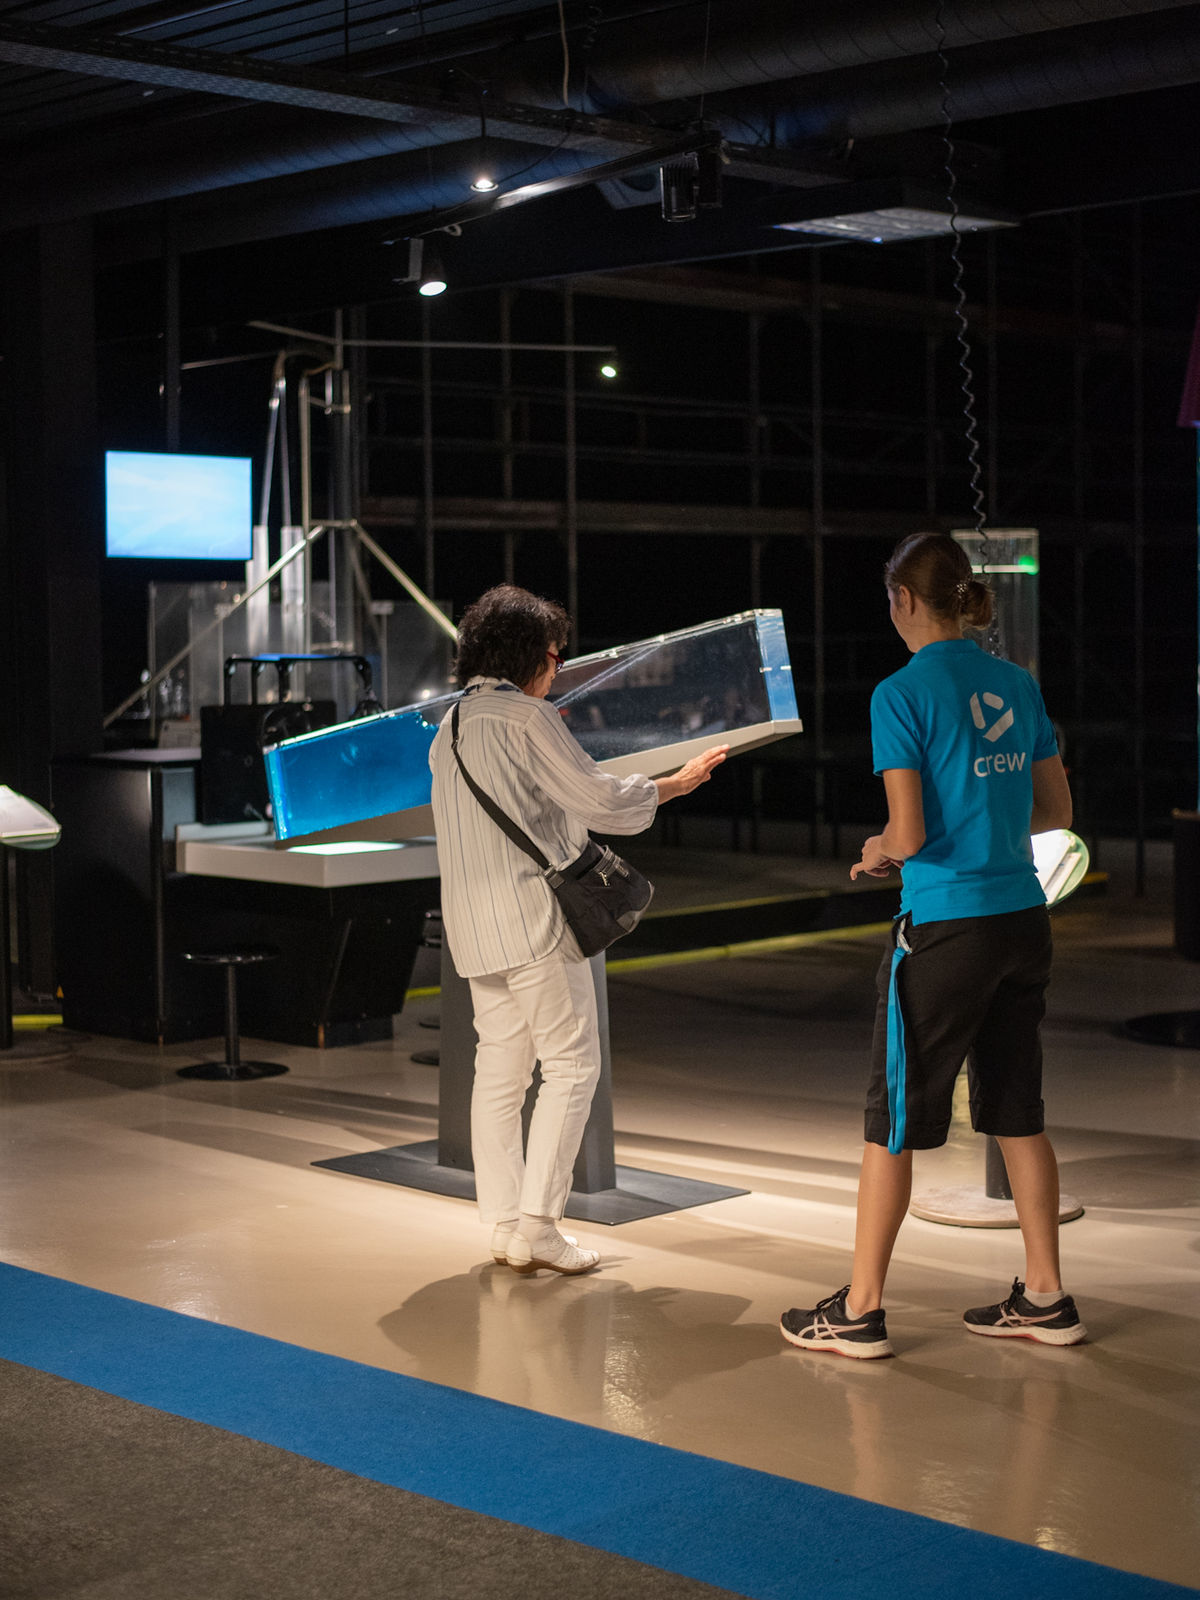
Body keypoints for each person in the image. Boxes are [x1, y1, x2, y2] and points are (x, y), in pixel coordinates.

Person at [780, 533, 1085, 1358]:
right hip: (1023, 920)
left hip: (947, 930)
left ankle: (860, 1311)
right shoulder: (1016, 684)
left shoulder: (900, 694)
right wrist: (982, 825)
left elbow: (908, 833)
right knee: (1018, 1114)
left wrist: (880, 848)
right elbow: (1055, 811)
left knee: (892, 1123)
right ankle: (1047, 1298)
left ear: (905, 600)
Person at [429, 585, 728, 1277]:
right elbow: (599, 801)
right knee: (570, 1065)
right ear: (529, 654)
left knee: (499, 1072)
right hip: (534, 920)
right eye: (555, 655)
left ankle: (506, 1224)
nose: (557, 668)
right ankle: (538, 1226)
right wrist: (674, 784)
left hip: (473, 926)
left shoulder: (451, 725)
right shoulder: (526, 717)